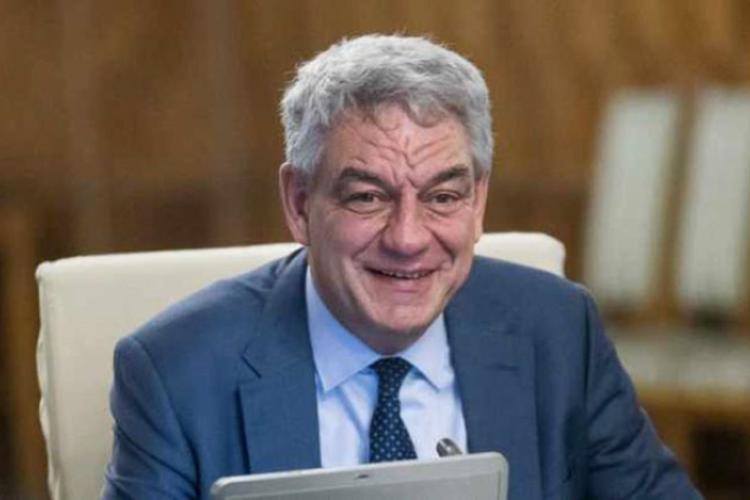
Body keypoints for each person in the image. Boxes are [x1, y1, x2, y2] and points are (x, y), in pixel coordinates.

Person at [103, 34, 700, 499]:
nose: (409, 239)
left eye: (443, 196)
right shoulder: (175, 371)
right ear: (300, 203)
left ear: (478, 201)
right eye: (368, 197)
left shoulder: (559, 330)